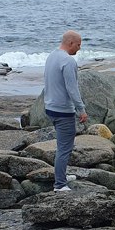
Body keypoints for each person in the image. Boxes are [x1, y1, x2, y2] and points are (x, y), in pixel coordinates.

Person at [44, 30, 88, 191]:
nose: (79, 48)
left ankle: (61, 175)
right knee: (64, 149)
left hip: (50, 108)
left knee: (61, 145)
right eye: (78, 44)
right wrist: (81, 109)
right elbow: (72, 88)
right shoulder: (68, 61)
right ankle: (60, 185)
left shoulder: (52, 56)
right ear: (70, 43)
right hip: (63, 111)